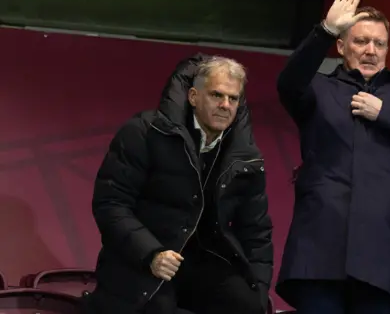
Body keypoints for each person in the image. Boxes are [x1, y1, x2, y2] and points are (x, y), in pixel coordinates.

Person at [275, 0, 390, 314]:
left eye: (379, 43)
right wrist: (325, 30)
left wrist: (384, 114)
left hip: (379, 257)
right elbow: (287, 83)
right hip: (319, 251)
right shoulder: (318, 89)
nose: (371, 50)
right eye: (361, 41)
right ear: (342, 46)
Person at [85, 54, 273, 314]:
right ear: (194, 97)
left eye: (233, 98)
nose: (225, 105)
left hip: (202, 266)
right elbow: (111, 204)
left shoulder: (245, 158)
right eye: (216, 95)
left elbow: (257, 231)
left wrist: (258, 292)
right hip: (138, 262)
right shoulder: (144, 131)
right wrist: (151, 253)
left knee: (246, 307)